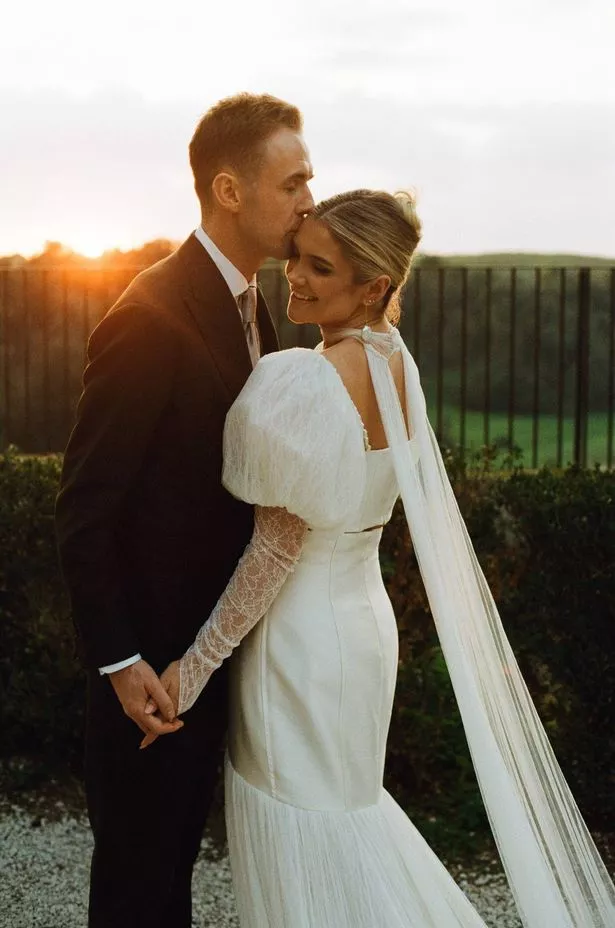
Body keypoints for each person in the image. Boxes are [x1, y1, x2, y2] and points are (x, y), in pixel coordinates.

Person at [145, 189, 615, 927]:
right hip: (361, 629)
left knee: (308, 833)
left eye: (319, 268)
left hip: (297, 642)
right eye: (297, 256)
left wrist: (192, 670)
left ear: (374, 288)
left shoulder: (305, 380)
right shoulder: (397, 366)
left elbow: (274, 548)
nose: (293, 276)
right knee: (346, 818)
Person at [54, 92, 314, 928]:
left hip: (208, 656)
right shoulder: (150, 316)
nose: (309, 200)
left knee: (171, 883)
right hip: (150, 679)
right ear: (229, 191)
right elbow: (86, 507)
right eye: (293, 182)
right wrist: (121, 661)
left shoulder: (253, 306)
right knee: (138, 890)